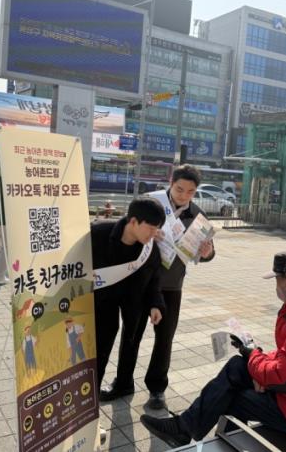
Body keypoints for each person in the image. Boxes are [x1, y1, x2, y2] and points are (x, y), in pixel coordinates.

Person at [140, 250, 286, 448]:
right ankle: (184, 428)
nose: (276, 286)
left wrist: (254, 357)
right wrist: (255, 356)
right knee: (238, 366)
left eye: (277, 280)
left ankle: (187, 430)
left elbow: (285, 379)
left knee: (230, 398)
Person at [108, 165, 215, 409]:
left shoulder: (198, 216)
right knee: (131, 334)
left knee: (164, 338)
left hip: (171, 286)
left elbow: (208, 253)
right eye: (179, 189)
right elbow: (127, 232)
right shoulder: (152, 203)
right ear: (170, 182)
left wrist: (207, 253)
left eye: (190, 192)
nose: (184, 196)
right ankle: (122, 382)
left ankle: (157, 389)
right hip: (139, 282)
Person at [92, 196, 166, 393]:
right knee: (100, 346)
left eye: (157, 229)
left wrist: (155, 304)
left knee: (131, 341)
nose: (154, 234)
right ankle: (91, 395)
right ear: (133, 221)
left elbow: (154, 277)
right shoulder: (97, 234)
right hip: (102, 300)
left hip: (134, 300)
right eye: (151, 228)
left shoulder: (149, 247)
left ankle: (124, 384)